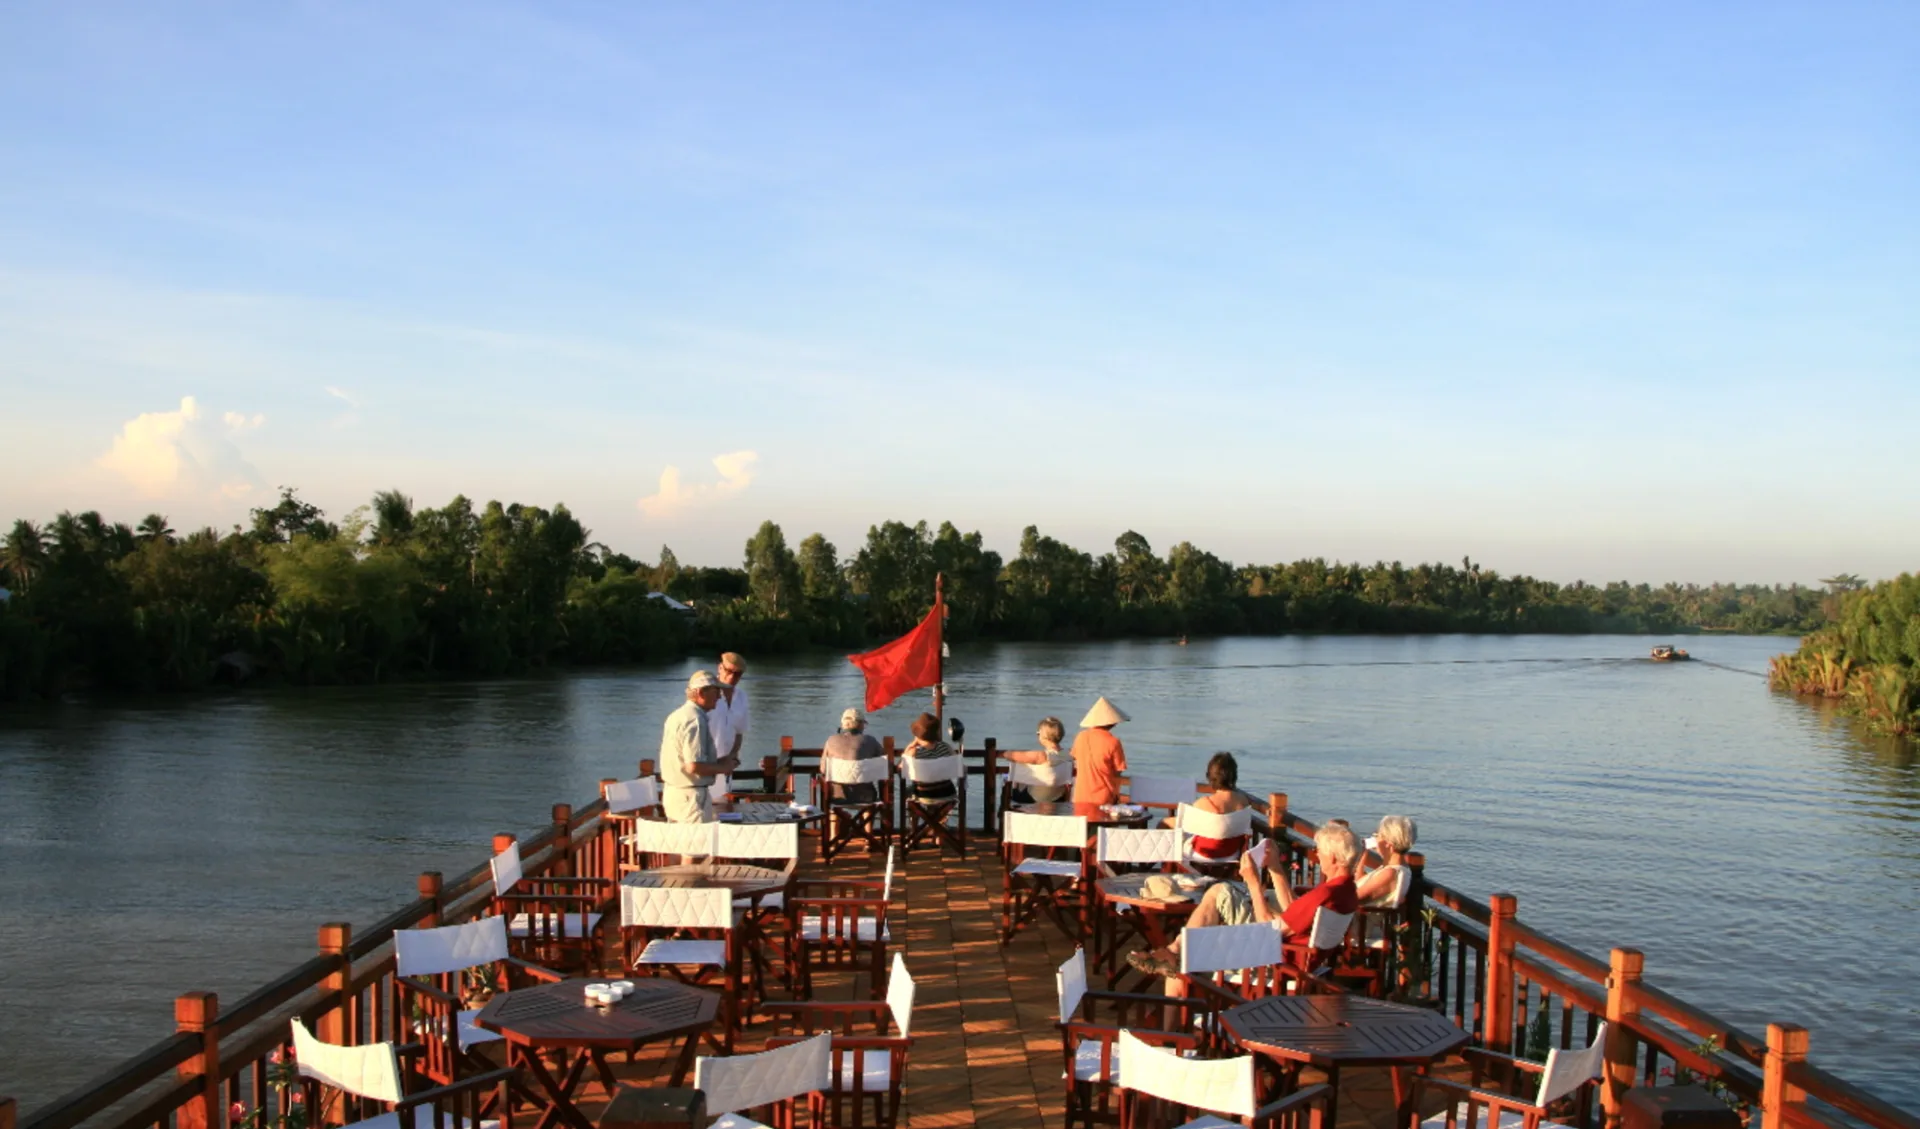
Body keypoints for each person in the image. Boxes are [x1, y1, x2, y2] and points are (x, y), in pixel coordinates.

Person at [1128, 822, 1362, 976]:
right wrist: (1276, 869)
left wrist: (1252, 880)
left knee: (1220, 892)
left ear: (1332, 857)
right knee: (1223, 893)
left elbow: (1266, 927)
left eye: (1319, 850)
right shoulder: (1345, 890)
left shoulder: (1326, 892)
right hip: (1301, 958)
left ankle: (1177, 953)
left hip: (1274, 960)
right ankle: (1177, 952)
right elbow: (1293, 912)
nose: (1316, 855)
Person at [659, 670, 740, 823]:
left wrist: (720, 762)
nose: (719, 696)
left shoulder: (677, 715)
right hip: (691, 798)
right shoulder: (695, 720)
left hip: (675, 794)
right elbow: (693, 766)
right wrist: (724, 768)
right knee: (698, 845)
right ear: (701, 692)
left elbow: (684, 760)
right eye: (716, 691)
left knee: (680, 845)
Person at [1180, 752, 1261, 861]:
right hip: (1231, 855)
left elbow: (1184, 826)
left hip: (1201, 854)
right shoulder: (1243, 801)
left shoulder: (1202, 803)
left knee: (1173, 835)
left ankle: (1166, 871)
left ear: (1210, 776)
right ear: (1234, 777)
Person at [1069, 696, 1130, 805]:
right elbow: (1118, 770)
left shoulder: (1081, 737)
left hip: (1081, 795)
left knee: (1084, 822)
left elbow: (1075, 759)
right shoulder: (1113, 742)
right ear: (1114, 722)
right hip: (1104, 796)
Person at [1000, 717, 1074, 804]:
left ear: (1043, 736)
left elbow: (1010, 755)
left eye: (1038, 733)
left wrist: (1005, 753)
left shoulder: (1041, 756)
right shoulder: (1069, 754)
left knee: (1005, 777)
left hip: (1033, 798)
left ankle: (1003, 814)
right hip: (1057, 797)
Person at [822, 706, 885, 803]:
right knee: (868, 802)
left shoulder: (831, 740)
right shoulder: (870, 740)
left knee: (834, 805)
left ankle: (834, 817)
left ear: (843, 725)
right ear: (860, 725)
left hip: (837, 797)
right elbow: (885, 764)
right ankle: (867, 817)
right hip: (866, 797)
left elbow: (823, 769)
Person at [1355, 814, 1417, 909]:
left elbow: (1352, 898)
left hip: (1366, 922)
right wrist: (1363, 853)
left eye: (1377, 836)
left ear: (1388, 843)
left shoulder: (1390, 873)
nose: (1375, 839)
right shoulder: (1392, 867)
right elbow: (1360, 883)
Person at [901, 712, 959, 801]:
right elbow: (958, 765)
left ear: (917, 735)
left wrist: (911, 745)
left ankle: (915, 814)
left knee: (907, 792)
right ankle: (939, 814)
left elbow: (901, 768)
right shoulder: (946, 747)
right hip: (947, 794)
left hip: (923, 795)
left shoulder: (914, 752)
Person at [711, 651, 750, 765]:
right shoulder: (706, 694)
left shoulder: (741, 697)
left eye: (737, 674)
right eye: (729, 671)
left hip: (726, 765)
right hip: (705, 763)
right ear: (720, 668)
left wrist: (733, 756)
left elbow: (739, 732)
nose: (732, 676)